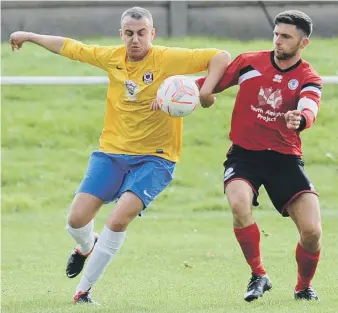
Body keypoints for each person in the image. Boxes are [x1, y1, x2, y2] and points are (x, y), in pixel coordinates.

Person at [9, 6, 231, 304]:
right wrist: (29, 35)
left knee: (117, 219)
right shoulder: (112, 56)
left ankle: (83, 291)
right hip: (112, 153)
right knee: (76, 220)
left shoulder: (167, 58)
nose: (135, 39)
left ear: (152, 33)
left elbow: (221, 56)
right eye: (129, 33)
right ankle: (87, 246)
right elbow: (70, 47)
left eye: (142, 33)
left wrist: (205, 92)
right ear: (121, 34)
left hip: (156, 158)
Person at [196, 10, 322, 302]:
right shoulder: (249, 61)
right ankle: (259, 274)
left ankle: (303, 287)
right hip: (245, 156)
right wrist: (175, 91)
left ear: (303, 43)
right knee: (239, 204)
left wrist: (301, 119)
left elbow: (310, 105)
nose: (278, 41)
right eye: (276, 34)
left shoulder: (308, 76)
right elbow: (209, 85)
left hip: (284, 159)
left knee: (312, 232)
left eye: (286, 36)